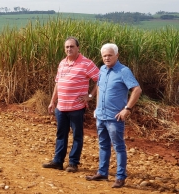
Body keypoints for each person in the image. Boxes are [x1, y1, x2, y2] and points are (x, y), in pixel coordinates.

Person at [85, 43, 142, 188]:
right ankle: (102, 173)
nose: (107, 58)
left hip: (115, 118)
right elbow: (99, 87)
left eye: (110, 55)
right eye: (104, 56)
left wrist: (127, 109)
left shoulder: (124, 71)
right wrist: (97, 108)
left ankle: (120, 177)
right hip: (101, 116)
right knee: (103, 145)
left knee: (118, 147)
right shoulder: (102, 70)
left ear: (117, 56)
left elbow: (137, 90)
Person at [42, 37, 99, 173]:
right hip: (61, 107)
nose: (69, 49)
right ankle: (58, 161)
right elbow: (57, 83)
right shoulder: (62, 63)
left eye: (72, 46)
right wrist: (52, 101)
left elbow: (100, 79)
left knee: (77, 136)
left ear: (78, 48)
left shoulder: (87, 63)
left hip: (77, 108)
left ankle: (73, 163)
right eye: (67, 47)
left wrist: (90, 96)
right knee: (61, 134)